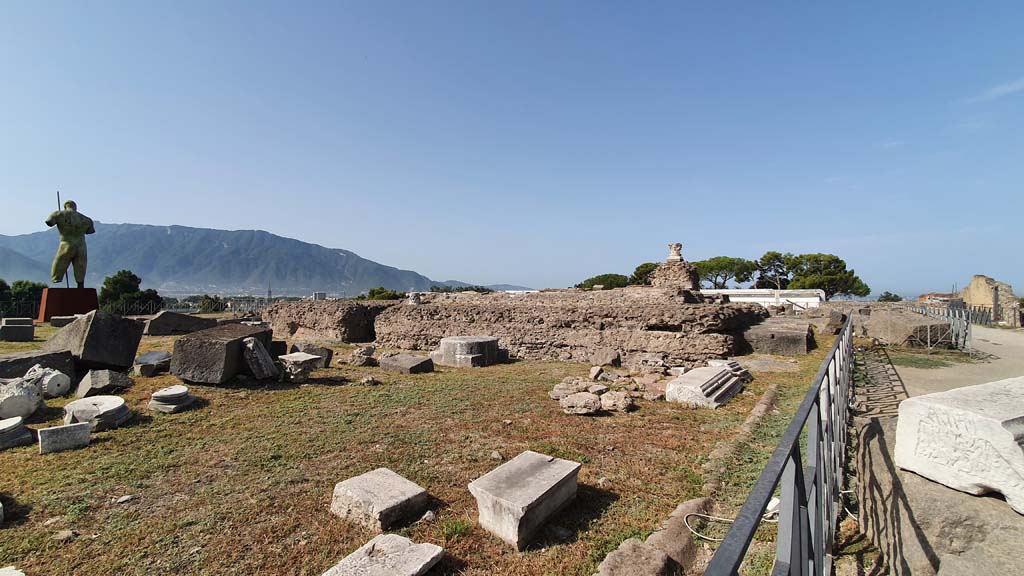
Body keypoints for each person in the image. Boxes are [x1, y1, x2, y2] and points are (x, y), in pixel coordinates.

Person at [45, 200, 95, 289]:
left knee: (60, 263)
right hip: (81, 246)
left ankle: (56, 278)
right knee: (81, 265)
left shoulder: (58, 214)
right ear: (75, 207)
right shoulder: (86, 219)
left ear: (65, 207)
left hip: (66, 244)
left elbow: (49, 222)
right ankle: (80, 284)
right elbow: (90, 231)